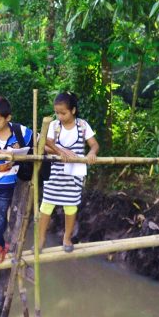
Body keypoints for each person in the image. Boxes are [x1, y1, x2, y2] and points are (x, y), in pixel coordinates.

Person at [39, 92, 99, 252]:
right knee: (46, 205)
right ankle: (41, 239)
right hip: (55, 173)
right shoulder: (54, 126)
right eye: (57, 113)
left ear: (73, 110)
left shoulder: (83, 125)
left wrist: (92, 153)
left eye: (63, 113)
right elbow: (44, 144)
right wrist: (61, 151)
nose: (59, 116)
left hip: (74, 174)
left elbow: (94, 144)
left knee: (71, 206)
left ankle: (67, 237)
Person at [0, 96, 33, 264]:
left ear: (8, 118)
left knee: (0, 217)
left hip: (7, 183)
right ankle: (1, 245)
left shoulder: (21, 132)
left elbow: (39, 143)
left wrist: (14, 158)